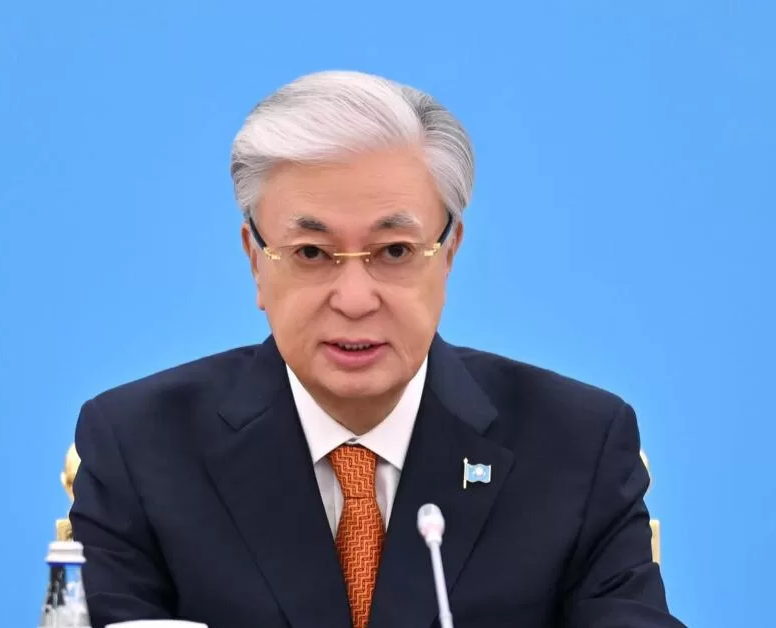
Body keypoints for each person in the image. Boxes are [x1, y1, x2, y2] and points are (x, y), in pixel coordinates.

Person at [69, 69, 685, 628]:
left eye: (394, 251)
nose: (355, 299)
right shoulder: (140, 446)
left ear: (448, 254)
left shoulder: (576, 444)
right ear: (256, 260)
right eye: (312, 253)